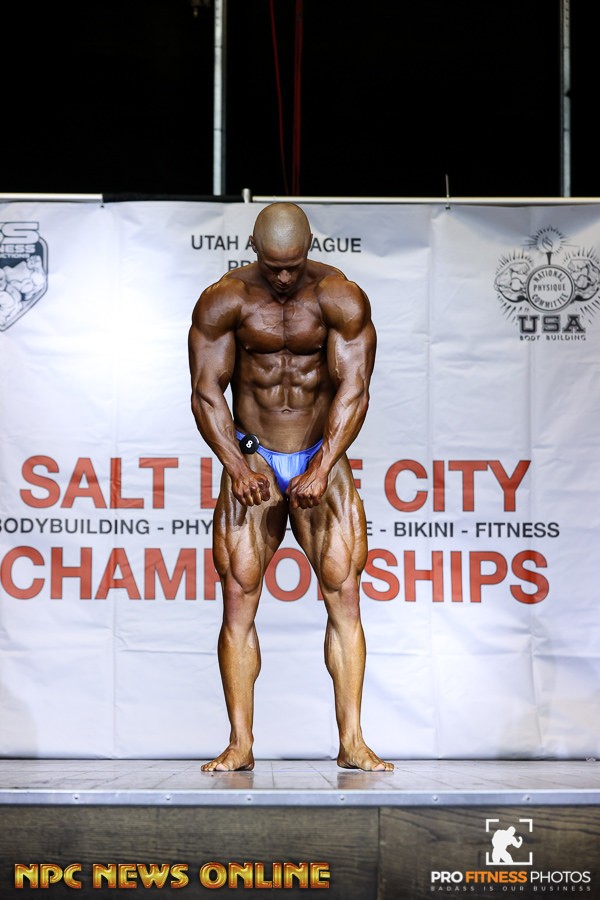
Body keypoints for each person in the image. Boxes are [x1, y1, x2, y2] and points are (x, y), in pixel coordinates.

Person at [188, 201, 393, 773]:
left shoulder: (339, 297)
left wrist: (322, 466)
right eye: (274, 266)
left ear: (308, 250)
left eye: (294, 265)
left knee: (343, 593)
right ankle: (240, 743)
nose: (283, 278)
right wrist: (236, 465)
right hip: (253, 456)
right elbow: (206, 391)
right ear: (255, 250)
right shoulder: (225, 299)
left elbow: (354, 389)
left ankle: (352, 740)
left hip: (319, 457)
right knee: (238, 596)